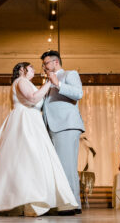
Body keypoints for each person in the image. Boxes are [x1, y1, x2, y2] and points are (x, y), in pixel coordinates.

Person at [0, 62, 78, 216]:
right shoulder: (21, 81)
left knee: (35, 160)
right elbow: (33, 99)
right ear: (22, 70)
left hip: (33, 121)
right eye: (31, 67)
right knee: (25, 159)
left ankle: (37, 200)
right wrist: (49, 83)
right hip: (23, 121)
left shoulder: (27, 83)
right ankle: (25, 201)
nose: (34, 70)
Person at [41, 50, 84, 215]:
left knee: (66, 167)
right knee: (67, 167)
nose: (44, 67)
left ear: (55, 62)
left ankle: (68, 205)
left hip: (66, 125)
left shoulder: (69, 74)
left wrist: (58, 84)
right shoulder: (48, 81)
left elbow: (78, 93)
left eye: (46, 64)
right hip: (53, 127)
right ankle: (75, 203)